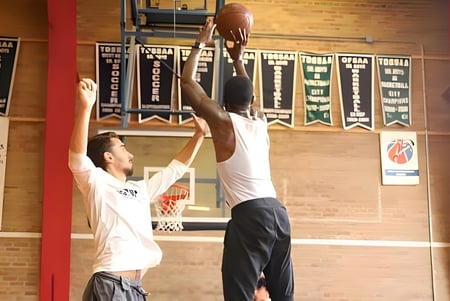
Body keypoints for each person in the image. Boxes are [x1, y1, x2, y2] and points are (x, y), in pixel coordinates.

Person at [180, 18, 294, 301]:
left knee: (239, 294)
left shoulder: (223, 121)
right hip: (279, 214)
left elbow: (187, 83)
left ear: (224, 104)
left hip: (250, 214)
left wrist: (200, 44)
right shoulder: (261, 119)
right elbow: (251, 95)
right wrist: (238, 59)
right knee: (283, 294)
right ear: (251, 100)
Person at [69, 78, 208, 300]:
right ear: (108, 157)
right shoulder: (96, 181)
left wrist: (199, 136)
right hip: (110, 284)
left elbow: (174, 170)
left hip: (135, 288)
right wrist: (86, 107)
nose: (131, 154)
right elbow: (76, 158)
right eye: (123, 148)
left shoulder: (139, 189)